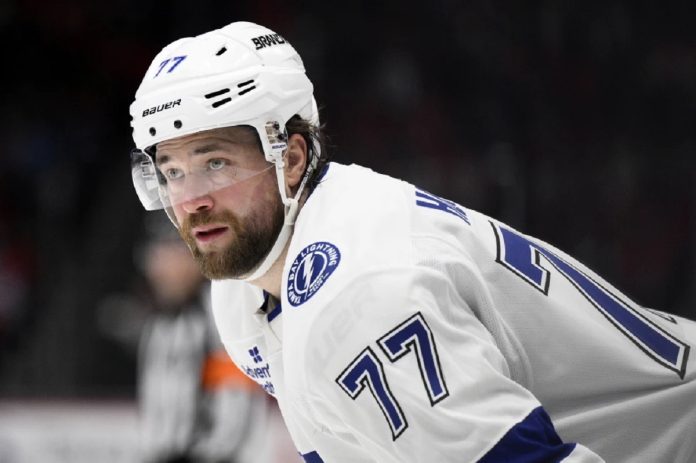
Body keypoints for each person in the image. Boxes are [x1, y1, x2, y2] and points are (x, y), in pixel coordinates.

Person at [127, 21, 696, 462]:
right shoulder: (252, 287)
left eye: (217, 162)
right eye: (172, 172)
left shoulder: (362, 297)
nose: (190, 198)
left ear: (292, 158)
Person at [131, 214, 272, 463]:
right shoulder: (158, 322)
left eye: (166, 255)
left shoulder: (221, 315)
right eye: (153, 256)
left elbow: (235, 415)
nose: (157, 268)